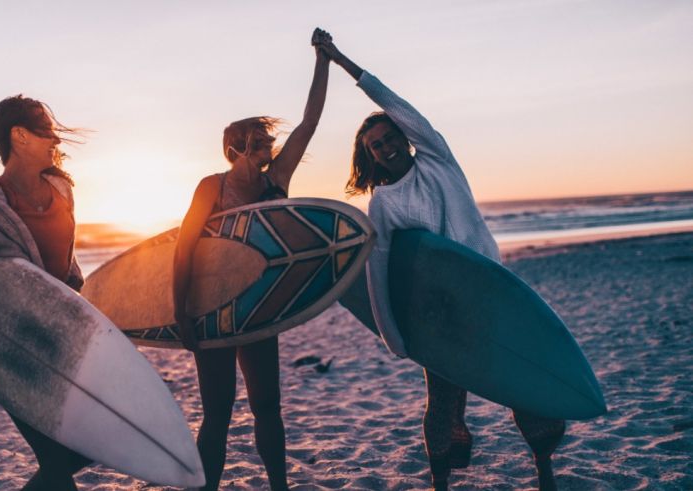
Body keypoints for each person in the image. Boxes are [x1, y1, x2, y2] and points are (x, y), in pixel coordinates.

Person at [314, 31, 566, 491]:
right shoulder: (384, 205)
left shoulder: (438, 160)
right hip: (441, 314)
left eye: (391, 136)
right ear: (367, 156)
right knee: (445, 400)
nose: (387, 145)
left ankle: (545, 471)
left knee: (523, 382)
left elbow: (400, 105)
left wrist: (342, 61)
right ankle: (441, 482)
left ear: (405, 137)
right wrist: (394, 336)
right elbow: (380, 270)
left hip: (492, 294)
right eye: (376, 144)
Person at [172, 29, 330, 491]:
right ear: (234, 148)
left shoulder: (276, 180)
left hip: (260, 307)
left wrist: (323, 59)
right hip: (215, 311)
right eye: (258, 140)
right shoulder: (211, 187)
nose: (268, 144)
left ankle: (278, 485)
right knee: (217, 413)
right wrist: (181, 311)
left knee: (267, 407)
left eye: (266, 139)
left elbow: (309, 123)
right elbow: (184, 248)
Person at [0, 95, 90, 490]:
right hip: (10, 355)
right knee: (58, 464)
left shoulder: (61, 188)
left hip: (61, 345)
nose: (55, 138)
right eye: (46, 128)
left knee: (79, 453)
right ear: (19, 136)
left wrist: (88, 314)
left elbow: (66, 262)